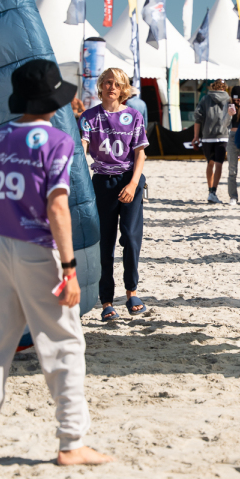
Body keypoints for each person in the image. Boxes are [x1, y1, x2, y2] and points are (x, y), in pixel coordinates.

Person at [0, 58, 111, 470]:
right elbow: (57, 208)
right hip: (39, 250)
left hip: (2, 249)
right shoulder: (57, 141)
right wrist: (69, 269)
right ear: (52, 101)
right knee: (64, 345)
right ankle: (71, 443)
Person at [80, 67, 149, 321]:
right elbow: (82, 150)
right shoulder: (89, 117)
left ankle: (132, 292)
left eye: (117, 84)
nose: (112, 87)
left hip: (129, 180)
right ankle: (106, 301)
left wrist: (133, 185)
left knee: (130, 237)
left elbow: (140, 153)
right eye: (108, 82)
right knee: (104, 243)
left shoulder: (134, 116)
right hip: (102, 183)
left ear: (123, 89)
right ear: (101, 86)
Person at [191, 78, 231, 204]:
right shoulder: (229, 100)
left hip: (207, 136)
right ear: (224, 88)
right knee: (219, 164)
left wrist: (196, 136)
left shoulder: (205, 99)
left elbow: (198, 118)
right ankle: (214, 191)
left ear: (213, 87)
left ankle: (210, 191)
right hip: (223, 136)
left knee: (210, 163)